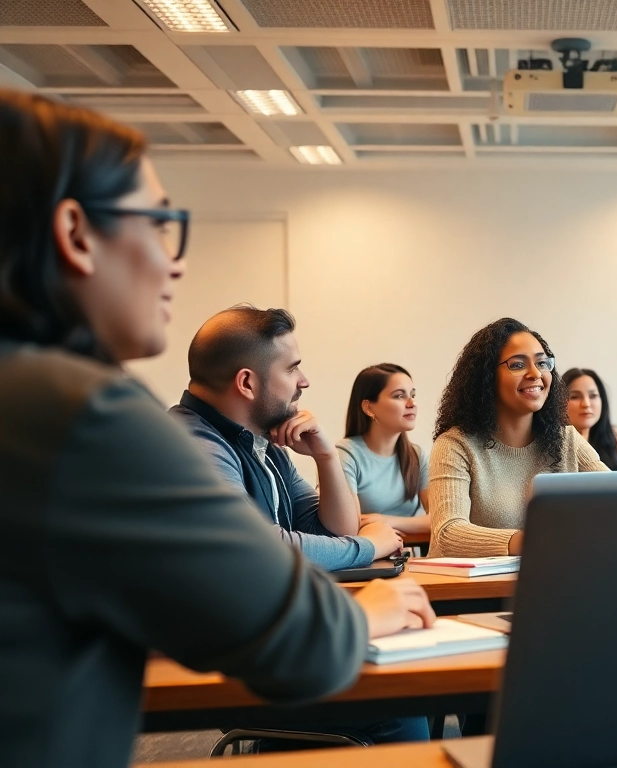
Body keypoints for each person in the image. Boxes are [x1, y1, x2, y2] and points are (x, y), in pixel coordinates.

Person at [0, 91, 434, 768]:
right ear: (76, 233)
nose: (174, 263)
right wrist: (370, 601)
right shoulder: (72, 412)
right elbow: (297, 641)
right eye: (158, 223)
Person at [171, 307, 405, 571]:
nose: (304, 382)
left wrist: (325, 456)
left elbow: (337, 533)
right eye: (292, 369)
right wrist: (369, 546)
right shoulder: (193, 445)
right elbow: (259, 548)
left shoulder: (263, 445)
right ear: (247, 383)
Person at [428, 318, 608, 558]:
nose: (535, 373)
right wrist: (536, 541)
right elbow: (449, 534)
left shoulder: (566, 439)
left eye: (542, 363)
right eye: (517, 365)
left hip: (548, 583)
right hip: (472, 591)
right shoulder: (455, 445)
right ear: (487, 377)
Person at [339, 363, 430, 537]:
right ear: (368, 407)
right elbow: (349, 524)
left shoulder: (417, 456)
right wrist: (415, 525)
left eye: (413, 395)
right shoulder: (346, 454)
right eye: (399, 396)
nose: (412, 403)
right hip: (367, 559)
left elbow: (442, 520)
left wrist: (384, 520)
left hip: (412, 558)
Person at [562, 367, 617, 471]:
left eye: (593, 396)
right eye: (574, 397)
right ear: (559, 403)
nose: (586, 404)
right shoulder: (550, 445)